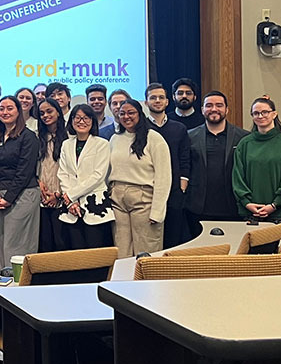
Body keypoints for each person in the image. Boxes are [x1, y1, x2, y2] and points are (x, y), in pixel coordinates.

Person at [108, 99, 172, 257]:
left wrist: (157, 211)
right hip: (117, 200)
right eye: (122, 113)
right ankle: (123, 282)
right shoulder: (114, 139)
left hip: (144, 200)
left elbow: (164, 177)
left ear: (140, 114)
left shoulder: (154, 138)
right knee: (121, 251)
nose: (126, 117)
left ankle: (146, 282)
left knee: (146, 250)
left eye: (131, 113)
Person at [0, 96, 42, 270]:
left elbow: (24, 171)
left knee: (16, 248)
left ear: (19, 111)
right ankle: (2, 289)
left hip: (22, 195)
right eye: (2, 108)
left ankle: (19, 290)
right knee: (0, 246)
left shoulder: (28, 137)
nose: (5, 112)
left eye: (10, 108)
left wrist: (9, 197)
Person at [186, 91, 249, 232]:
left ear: (227, 109)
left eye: (219, 105)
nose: (214, 109)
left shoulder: (244, 138)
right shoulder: (189, 137)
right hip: (198, 208)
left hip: (233, 208)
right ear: (202, 110)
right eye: (209, 105)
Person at [233, 97, 281, 224]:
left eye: (264, 112)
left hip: (280, 213)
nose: (260, 116)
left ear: (274, 114)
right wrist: (246, 203)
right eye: (256, 113)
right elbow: (238, 177)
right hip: (251, 213)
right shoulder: (244, 144)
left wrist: (275, 204)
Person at [56, 105, 115, 249]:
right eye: (77, 118)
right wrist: (70, 202)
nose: (81, 121)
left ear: (92, 121)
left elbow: (98, 176)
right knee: (74, 254)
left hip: (95, 207)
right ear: (71, 121)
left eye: (86, 118)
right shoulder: (66, 144)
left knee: (95, 253)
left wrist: (70, 195)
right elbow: (63, 173)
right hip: (71, 208)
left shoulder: (102, 144)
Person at [144, 82, 191, 248]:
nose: (157, 100)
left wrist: (182, 185)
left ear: (167, 101)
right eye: (153, 98)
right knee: (151, 238)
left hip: (174, 191)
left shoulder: (179, 128)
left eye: (161, 97)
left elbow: (185, 158)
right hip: (148, 192)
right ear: (146, 102)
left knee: (172, 238)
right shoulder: (140, 128)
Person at [35, 97, 68, 251]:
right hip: (41, 196)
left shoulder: (69, 136)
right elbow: (32, 166)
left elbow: (71, 169)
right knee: (45, 243)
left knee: (61, 242)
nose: (45, 116)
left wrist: (58, 194)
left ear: (58, 112)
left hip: (62, 197)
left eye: (49, 111)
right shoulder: (36, 137)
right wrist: (39, 184)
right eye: (42, 113)